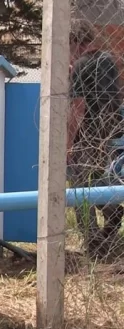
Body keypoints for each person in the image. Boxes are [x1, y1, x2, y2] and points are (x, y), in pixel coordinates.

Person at [67, 18, 124, 259]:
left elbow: (78, 106)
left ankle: (92, 241)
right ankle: (112, 212)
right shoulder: (109, 60)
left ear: (73, 42)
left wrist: (68, 144)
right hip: (110, 130)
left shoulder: (81, 65)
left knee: (79, 185)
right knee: (101, 177)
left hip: (88, 132)